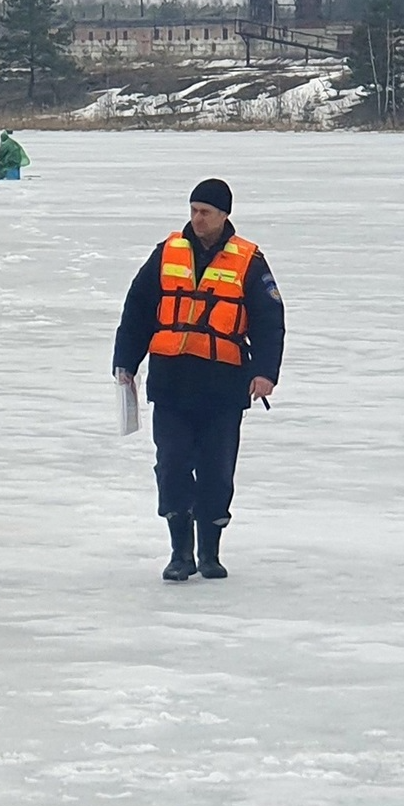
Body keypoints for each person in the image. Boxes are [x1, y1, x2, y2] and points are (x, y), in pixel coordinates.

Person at [112, 178, 284, 581]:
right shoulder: (167, 253)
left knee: (216, 470)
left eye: (205, 212)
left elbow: (270, 320)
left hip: (223, 387)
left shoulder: (249, 261)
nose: (197, 219)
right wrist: (126, 361)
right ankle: (179, 553)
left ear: (224, 215)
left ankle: (209, 551)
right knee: (171, 465)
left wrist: (265, 372)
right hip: (172, 383)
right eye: (193, 210)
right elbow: (137, 308)